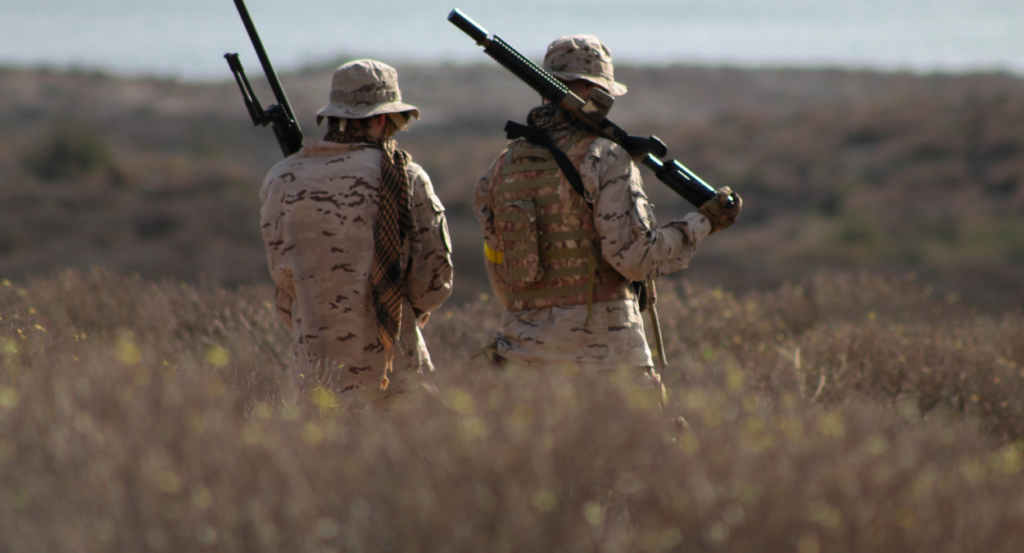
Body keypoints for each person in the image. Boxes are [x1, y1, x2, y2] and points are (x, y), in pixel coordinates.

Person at [474, 35, 741, 382]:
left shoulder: (501, 166)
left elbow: (501, 277)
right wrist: (702, 223)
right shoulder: (606, 158)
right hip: (607, 363)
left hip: (524, 361)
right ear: (592, 91)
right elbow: (635, 258)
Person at [260, 59, 454, 404]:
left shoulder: (281, 178)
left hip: (312, 372)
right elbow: (433, 282)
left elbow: (283, 276)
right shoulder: (407, 176)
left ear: (336, 115)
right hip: (395, 372)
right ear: (382, 118)